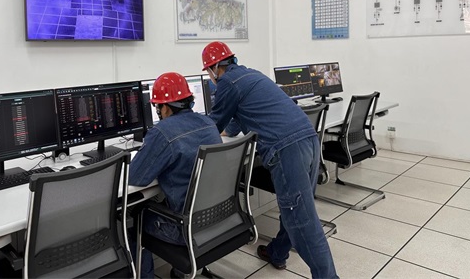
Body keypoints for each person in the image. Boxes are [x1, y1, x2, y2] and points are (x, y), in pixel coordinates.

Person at [201, 41, 338, 279]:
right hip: (309, 138)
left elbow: (212, 126)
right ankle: (277, 252)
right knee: (297, 209)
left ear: (214, 68)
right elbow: (234, 122)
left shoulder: (226, 83)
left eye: (209, 72)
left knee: (303, 220)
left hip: (287, 149)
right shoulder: (251, 75)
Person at [129, 72, 222, 278]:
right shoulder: (208, 123)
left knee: (134, 218)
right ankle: (180, 273)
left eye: (158, 107)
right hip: (217, 217)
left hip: (184, 228)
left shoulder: (163, 131)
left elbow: (136, 178)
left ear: (165, 108)